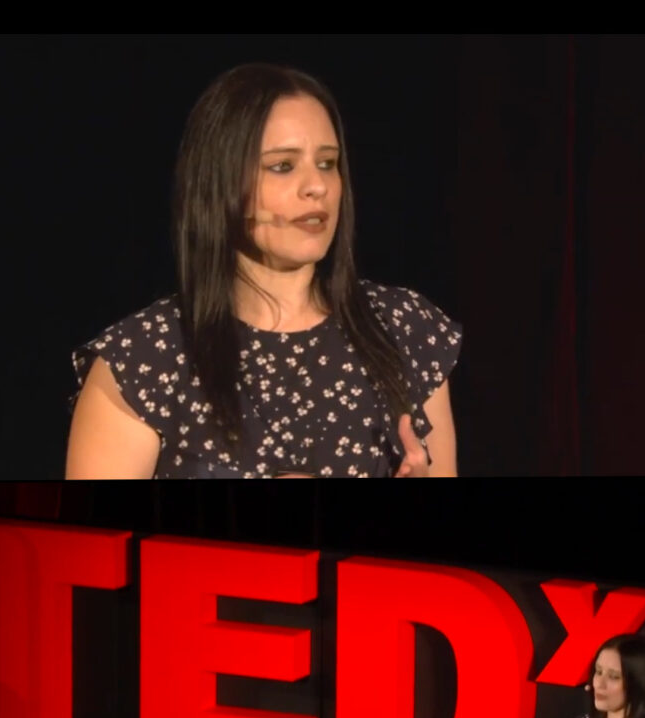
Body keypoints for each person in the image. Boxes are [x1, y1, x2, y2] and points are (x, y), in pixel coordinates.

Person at [66, 64, 461, 479]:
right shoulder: (144, 359)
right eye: (283, 166)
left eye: (327, 163)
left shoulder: (405, 330)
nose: (317, 186)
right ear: (220, 182)